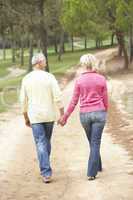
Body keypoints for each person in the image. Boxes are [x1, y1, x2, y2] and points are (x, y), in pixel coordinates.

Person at [59, 54, 108, 181]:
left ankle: (94, 169)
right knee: (95, 142)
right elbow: (105, 99)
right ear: (94, 63)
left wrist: (65, 117)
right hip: (99, 112)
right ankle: (94, 169)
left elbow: (74, 101)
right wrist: (104, 111)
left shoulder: (79, 81)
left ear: (83, 65)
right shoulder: (101, 79)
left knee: (93, 141)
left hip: (85, 115)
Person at [20, 53, 64, 183]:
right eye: (44, 60)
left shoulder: (26, 79)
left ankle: (45, 169)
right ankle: (46, 171)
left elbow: (23, 100)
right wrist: (62, 113)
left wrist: (25, 116)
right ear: (39, 62)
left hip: (35, 116)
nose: (46, 62)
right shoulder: (49, 77)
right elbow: (57, 96)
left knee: (41, 142)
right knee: (45, 142)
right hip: (48, 115)